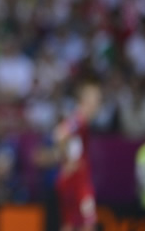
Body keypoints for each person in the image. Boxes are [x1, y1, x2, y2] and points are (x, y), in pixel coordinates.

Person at [33, 81, 101, 231]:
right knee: (88, 224)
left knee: (70, 224)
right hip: (76, 182)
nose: (98, 104)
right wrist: (68, 159)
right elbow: (60, 134)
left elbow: (70, 143)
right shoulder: (79, 119)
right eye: (96, 99)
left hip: (71, 180)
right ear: (85, 101)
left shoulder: (81, 121)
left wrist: (66, 157)